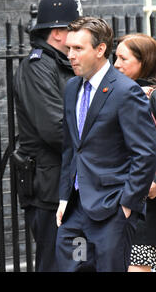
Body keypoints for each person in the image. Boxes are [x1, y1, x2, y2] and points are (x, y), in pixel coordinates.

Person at [55, 17, 156, 272]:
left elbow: (144, 154)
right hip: (75, 212)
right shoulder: (71, 87)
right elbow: (71, 147)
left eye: (79, 48)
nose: (71, 55)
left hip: (112, 212)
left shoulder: (125, 91)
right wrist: (65, 198)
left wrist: (127, 206)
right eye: (69, 48)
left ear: (100, 50)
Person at [12, 0, 80, 272]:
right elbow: (55, 128)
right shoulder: (38, 67)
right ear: (57, 33)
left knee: (79, 262)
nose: (79, 35)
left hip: (71, 184)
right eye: (74, 29)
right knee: (55, 264)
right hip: (49, 189)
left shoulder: (65, 64)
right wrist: (97, 149)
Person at [114, 33, 156, 272]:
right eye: (115, 57)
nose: (116, 64)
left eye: (123, 58)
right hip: (123, 196)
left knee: (137, 265)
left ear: (144, 61)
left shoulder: (151, 95)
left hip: (147, 201)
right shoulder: (119, 93)